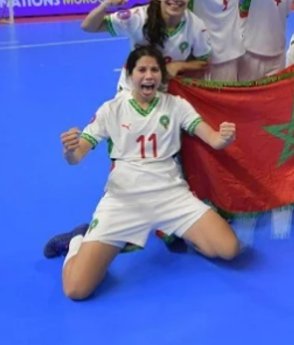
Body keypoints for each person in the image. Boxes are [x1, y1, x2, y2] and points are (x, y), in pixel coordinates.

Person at [49, 47, 240, 300]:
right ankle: (76, 241)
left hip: (171, 195)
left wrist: (225, 137)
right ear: (129, 74)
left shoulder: (176, 106)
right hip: (124, 199)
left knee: (229, 249)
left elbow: (214, 139)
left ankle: (182, 230)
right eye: (142, 69)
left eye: (154, 70)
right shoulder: (112, 109)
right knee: (76, 289)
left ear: (161, 76)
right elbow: (77, 157)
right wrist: (69, 151)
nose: (148, 75)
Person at [79, 0, 212, 91]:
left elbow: (204, 62)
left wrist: (179, 65)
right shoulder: (139, 17)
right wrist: (106, 4)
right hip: (132, 89)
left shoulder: (196, 26)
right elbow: (88, 26)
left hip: (166, 92)